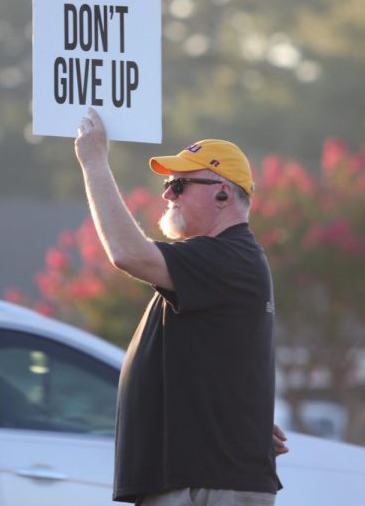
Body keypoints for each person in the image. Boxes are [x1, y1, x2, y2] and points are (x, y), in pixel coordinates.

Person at [74, 108, 287, 506]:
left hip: (206, 486)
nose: (167, 194)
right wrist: (237, 417)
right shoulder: (218, 261)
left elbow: (126, 253)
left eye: (180, 184)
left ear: (223, 192)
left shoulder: (228, 257)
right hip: (200, 481)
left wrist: (94, 162)